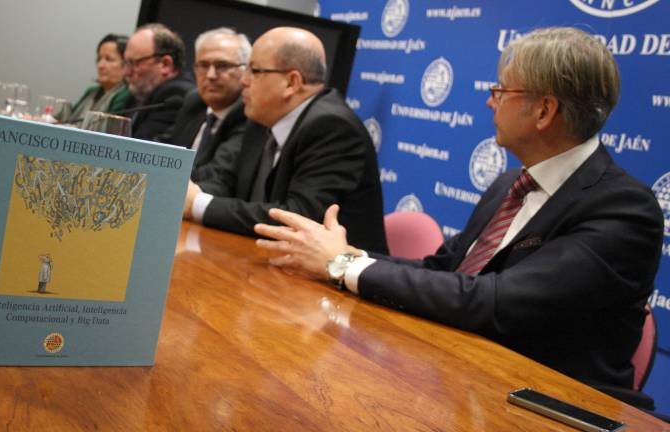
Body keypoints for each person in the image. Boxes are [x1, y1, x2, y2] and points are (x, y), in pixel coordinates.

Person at [253, 27, 664, 402]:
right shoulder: (508, 185)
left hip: (551, 402)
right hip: (467, 376)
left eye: (501, 92)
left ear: (544, 111)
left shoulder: (623, 209)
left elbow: (498, 302)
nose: (489, 101)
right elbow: (444, 270)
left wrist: (343, 264)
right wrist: (340, 256)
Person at [183, 27, 387, 254]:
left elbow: (295, 219)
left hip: (340, 279)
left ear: (292, 82)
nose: (244, 81)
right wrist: (184, 193)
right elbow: (225, 181)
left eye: (254, 71)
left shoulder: (333, 128)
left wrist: (198, 204)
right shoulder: (262, 116)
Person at [171, 28, 250, 183]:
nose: (211, 75)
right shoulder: (195, 102)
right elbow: (164, 147)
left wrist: (160, 175)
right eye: (204, 65)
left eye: (222, 65)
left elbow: (215, 174)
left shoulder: (248, 114)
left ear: (246, 70)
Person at [122, 23, 194, 142]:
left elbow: (140, 147)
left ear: (165, 64)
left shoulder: (175, 95)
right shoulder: (137, 94)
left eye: (134, 63)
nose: (126, 72)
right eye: (126, 63)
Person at [64, 34, 130, 123]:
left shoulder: (126, 95)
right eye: (99, 59)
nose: (100, 65)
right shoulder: (91, 91)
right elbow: (68, 119)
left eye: (109, 59)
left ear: (126, 64)